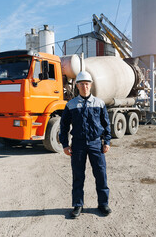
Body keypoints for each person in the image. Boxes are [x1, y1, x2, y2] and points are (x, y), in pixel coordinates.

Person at [59, 71, 112, 218]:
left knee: (101, 174)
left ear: (91, 85)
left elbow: (106, 124)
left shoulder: (99, 103)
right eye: (82, 84)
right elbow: (63, 126)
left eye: (87, 84)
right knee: (78, 175)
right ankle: (78, 205)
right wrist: (64, 144)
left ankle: (103, 204)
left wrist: (106, 141)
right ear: (77, 85)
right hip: (78, 144)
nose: (85, 87)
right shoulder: (71, 105)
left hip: (96, 143)